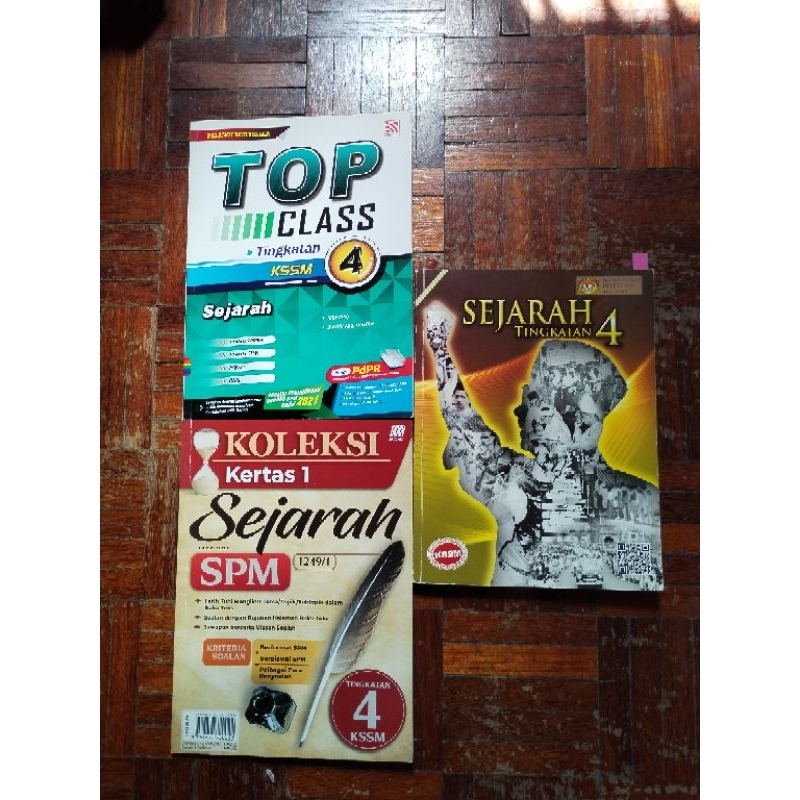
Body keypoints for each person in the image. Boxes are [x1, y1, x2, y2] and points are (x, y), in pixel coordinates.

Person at [424, 302, 661, 588]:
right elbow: (465, 422)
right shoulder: (519, 479)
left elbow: (641, 586)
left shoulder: (637, 499)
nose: (523, 411)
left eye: (538, 401)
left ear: (582, 422)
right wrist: (439, 347)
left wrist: (439, 345)